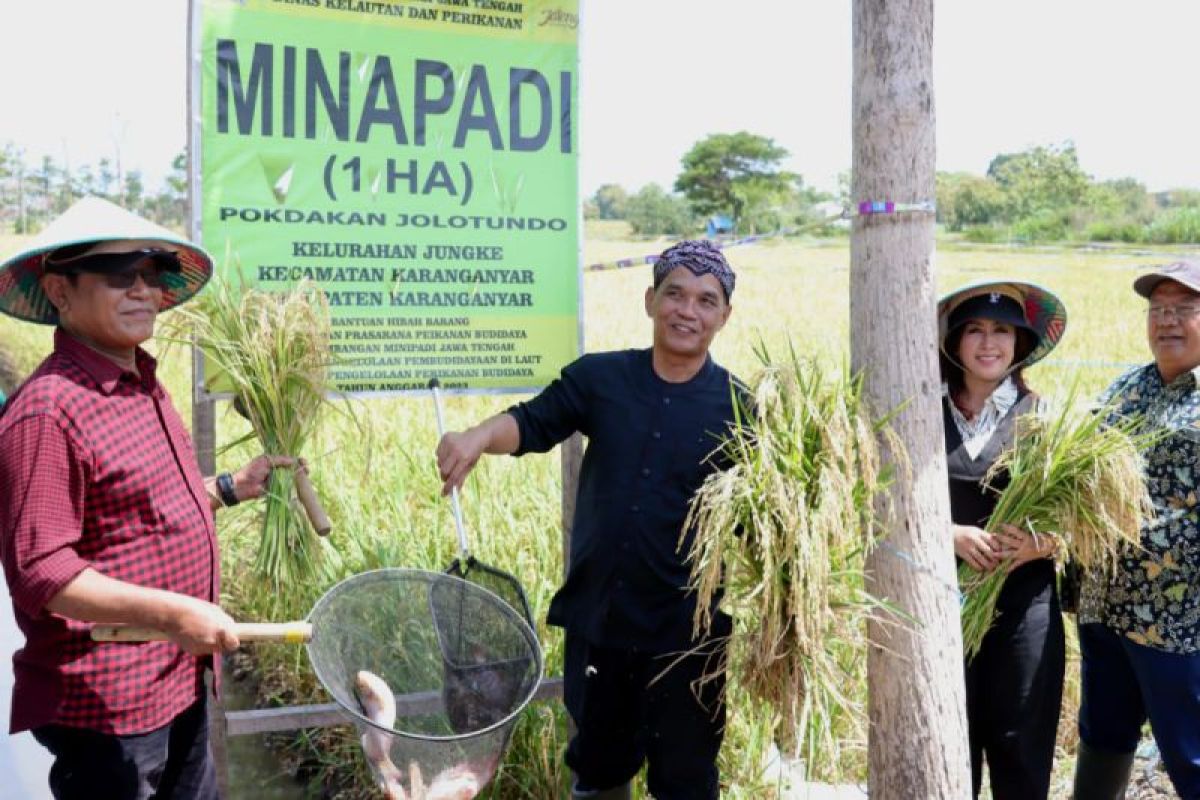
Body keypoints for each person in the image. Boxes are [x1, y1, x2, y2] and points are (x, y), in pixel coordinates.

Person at [0, 196, 295, 800]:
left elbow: (138, 514)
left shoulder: (141, 383)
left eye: (151, 273)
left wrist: (230, 488)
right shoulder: (47, 412)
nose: (142, 290)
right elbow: (42, 573)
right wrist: (174, 614)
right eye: (119, 274)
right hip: (108, 710)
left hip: (179, 680)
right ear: (60, 291)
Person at [436, 239, 744, 800]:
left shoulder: (742, 409)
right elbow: (532, 422)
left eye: (705, 300)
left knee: (686, 779)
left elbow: (771, 520)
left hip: (689, 637)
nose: (687, 311)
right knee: (600, 771)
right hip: (602, 624)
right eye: (674, 294)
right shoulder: (601, 379)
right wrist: (478, 436)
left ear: (724, 316)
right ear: (650, 301)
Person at [1073, 260, 1200, 800]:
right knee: (1103, 734)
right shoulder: (1126, 387)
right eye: (1157, 310)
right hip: (1105, 606)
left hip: (1179, 618)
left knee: (1190, 750)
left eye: (1184, 309)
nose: (1166, 321)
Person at [937, 281, 1068, 800]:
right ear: (953, 342)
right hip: (940, 607)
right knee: (950, 743)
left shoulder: (1045, 418)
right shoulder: (923, 412)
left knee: (1019, 748)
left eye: (1001, 331)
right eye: (974, 330)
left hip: (1024, 611)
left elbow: (1084, 520)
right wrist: (945, 534)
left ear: (1019, 344)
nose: (988, 343)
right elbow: (885, 504)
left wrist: (1039, 544)